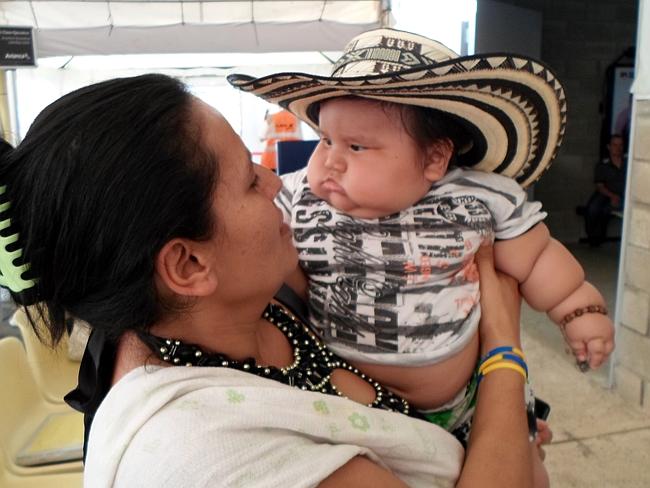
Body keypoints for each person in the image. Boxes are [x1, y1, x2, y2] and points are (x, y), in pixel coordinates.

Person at [0, 74, 549, 487]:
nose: (275, 181)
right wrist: (504, 353)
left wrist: (493, 434)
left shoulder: (234, 305)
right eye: (246, 179)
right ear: (189, 266)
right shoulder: (218, 455)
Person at [228, 28, 615, 458]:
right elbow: (243, 223)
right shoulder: (297, 196)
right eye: (326, 139)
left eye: (357, 146)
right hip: (344, 403)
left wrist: (579, 309)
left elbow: (536, 257)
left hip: (463, 404)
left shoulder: (474, 198)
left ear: (434, 159)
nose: (331, 161)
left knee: (528, 469)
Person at [585, 134, 627, 246]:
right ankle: (592, 238)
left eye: (620, 145)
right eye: (615, 145)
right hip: (605, 194)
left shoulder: (628, 163)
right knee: (593, 209)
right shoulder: (603, 165)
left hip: (623, 195)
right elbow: (600, 186)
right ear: (609, 147)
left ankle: (600, 237)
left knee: (606, 211)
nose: (618, 148)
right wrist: (612, 196)